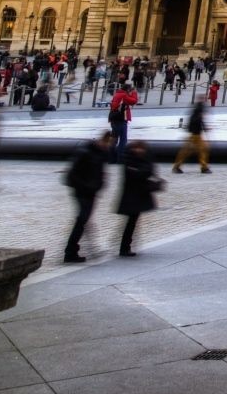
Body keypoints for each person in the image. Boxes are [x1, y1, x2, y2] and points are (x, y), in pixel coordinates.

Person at [62, 132, 108, 263]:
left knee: (83, 221)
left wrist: (98, 185)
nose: (109, 147)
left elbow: (99, 173)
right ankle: (70, 252)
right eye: (109, 143)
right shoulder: (85, 152)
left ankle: (77, 250)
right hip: (82, 192)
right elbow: (72, 174)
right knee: (82, 220)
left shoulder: (99, 153)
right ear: (103, 141)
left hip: (90, 192)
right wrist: (87, 186)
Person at [116, 141, 165, 256]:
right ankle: (124, 247)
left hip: (138, 194)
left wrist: (140, 171)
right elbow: (138, 173)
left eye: (141, 149)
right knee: (131, 220)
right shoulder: (129, 159)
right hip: (131, 194)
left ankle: (125, 246)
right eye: (137, 148)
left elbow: (147, 171)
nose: (139, 151)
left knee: (132, 220)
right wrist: (141, 172)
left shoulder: (143, 158)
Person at [173, 92, 212, 173]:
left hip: (194, 133)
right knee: (202, 149)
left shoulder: (197, 107)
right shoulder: (199, 108)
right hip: (196, 134)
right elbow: (197, 120)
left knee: (187, 150)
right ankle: (204, 167)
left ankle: (177, 166)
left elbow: (196, 120)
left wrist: (204, 128)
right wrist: (204, 128)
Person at [107, 79, 137, 162]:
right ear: (127, 90)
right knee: (123, 139)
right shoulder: (124, 95)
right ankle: (120, 159)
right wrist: (134, 92)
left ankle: (111, 158)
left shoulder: (118, 94)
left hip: (114, 118)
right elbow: (133, 101)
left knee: (114, 139)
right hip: (120, 119)